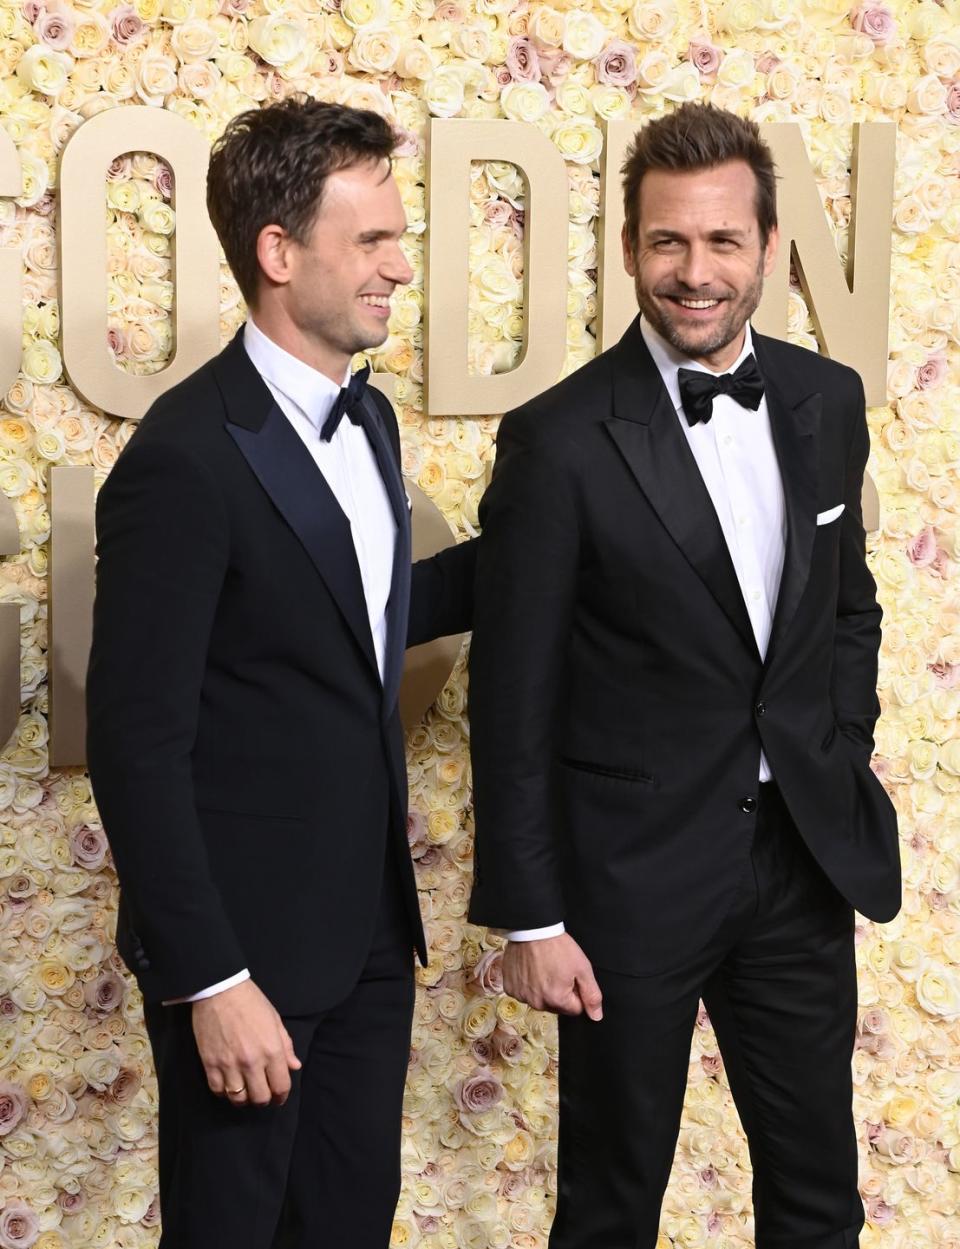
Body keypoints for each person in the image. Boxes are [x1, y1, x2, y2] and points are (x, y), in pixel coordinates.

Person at [468, 102, 900, 1248]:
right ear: (628, 250)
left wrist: (837, 748)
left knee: (820, 1196)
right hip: (626, 882)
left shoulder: (824, 400)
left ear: (767, 248)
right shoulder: (558, 438)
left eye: (721, 242)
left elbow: (847, 608)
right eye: (668, 242)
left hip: (800, 865)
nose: (694, 272)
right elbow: (512, 693)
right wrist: (531, 911)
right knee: (612, 1204)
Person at [87, 99, 474, 1249]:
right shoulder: (183, 457)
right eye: (372, 241)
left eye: (399, 238)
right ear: (277, 252)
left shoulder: (375, 423)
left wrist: (565, 533)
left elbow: (354, 628)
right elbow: (136, 743)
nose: (401, 266)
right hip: (245, 962)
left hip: (366, 941)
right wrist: (211, 981)